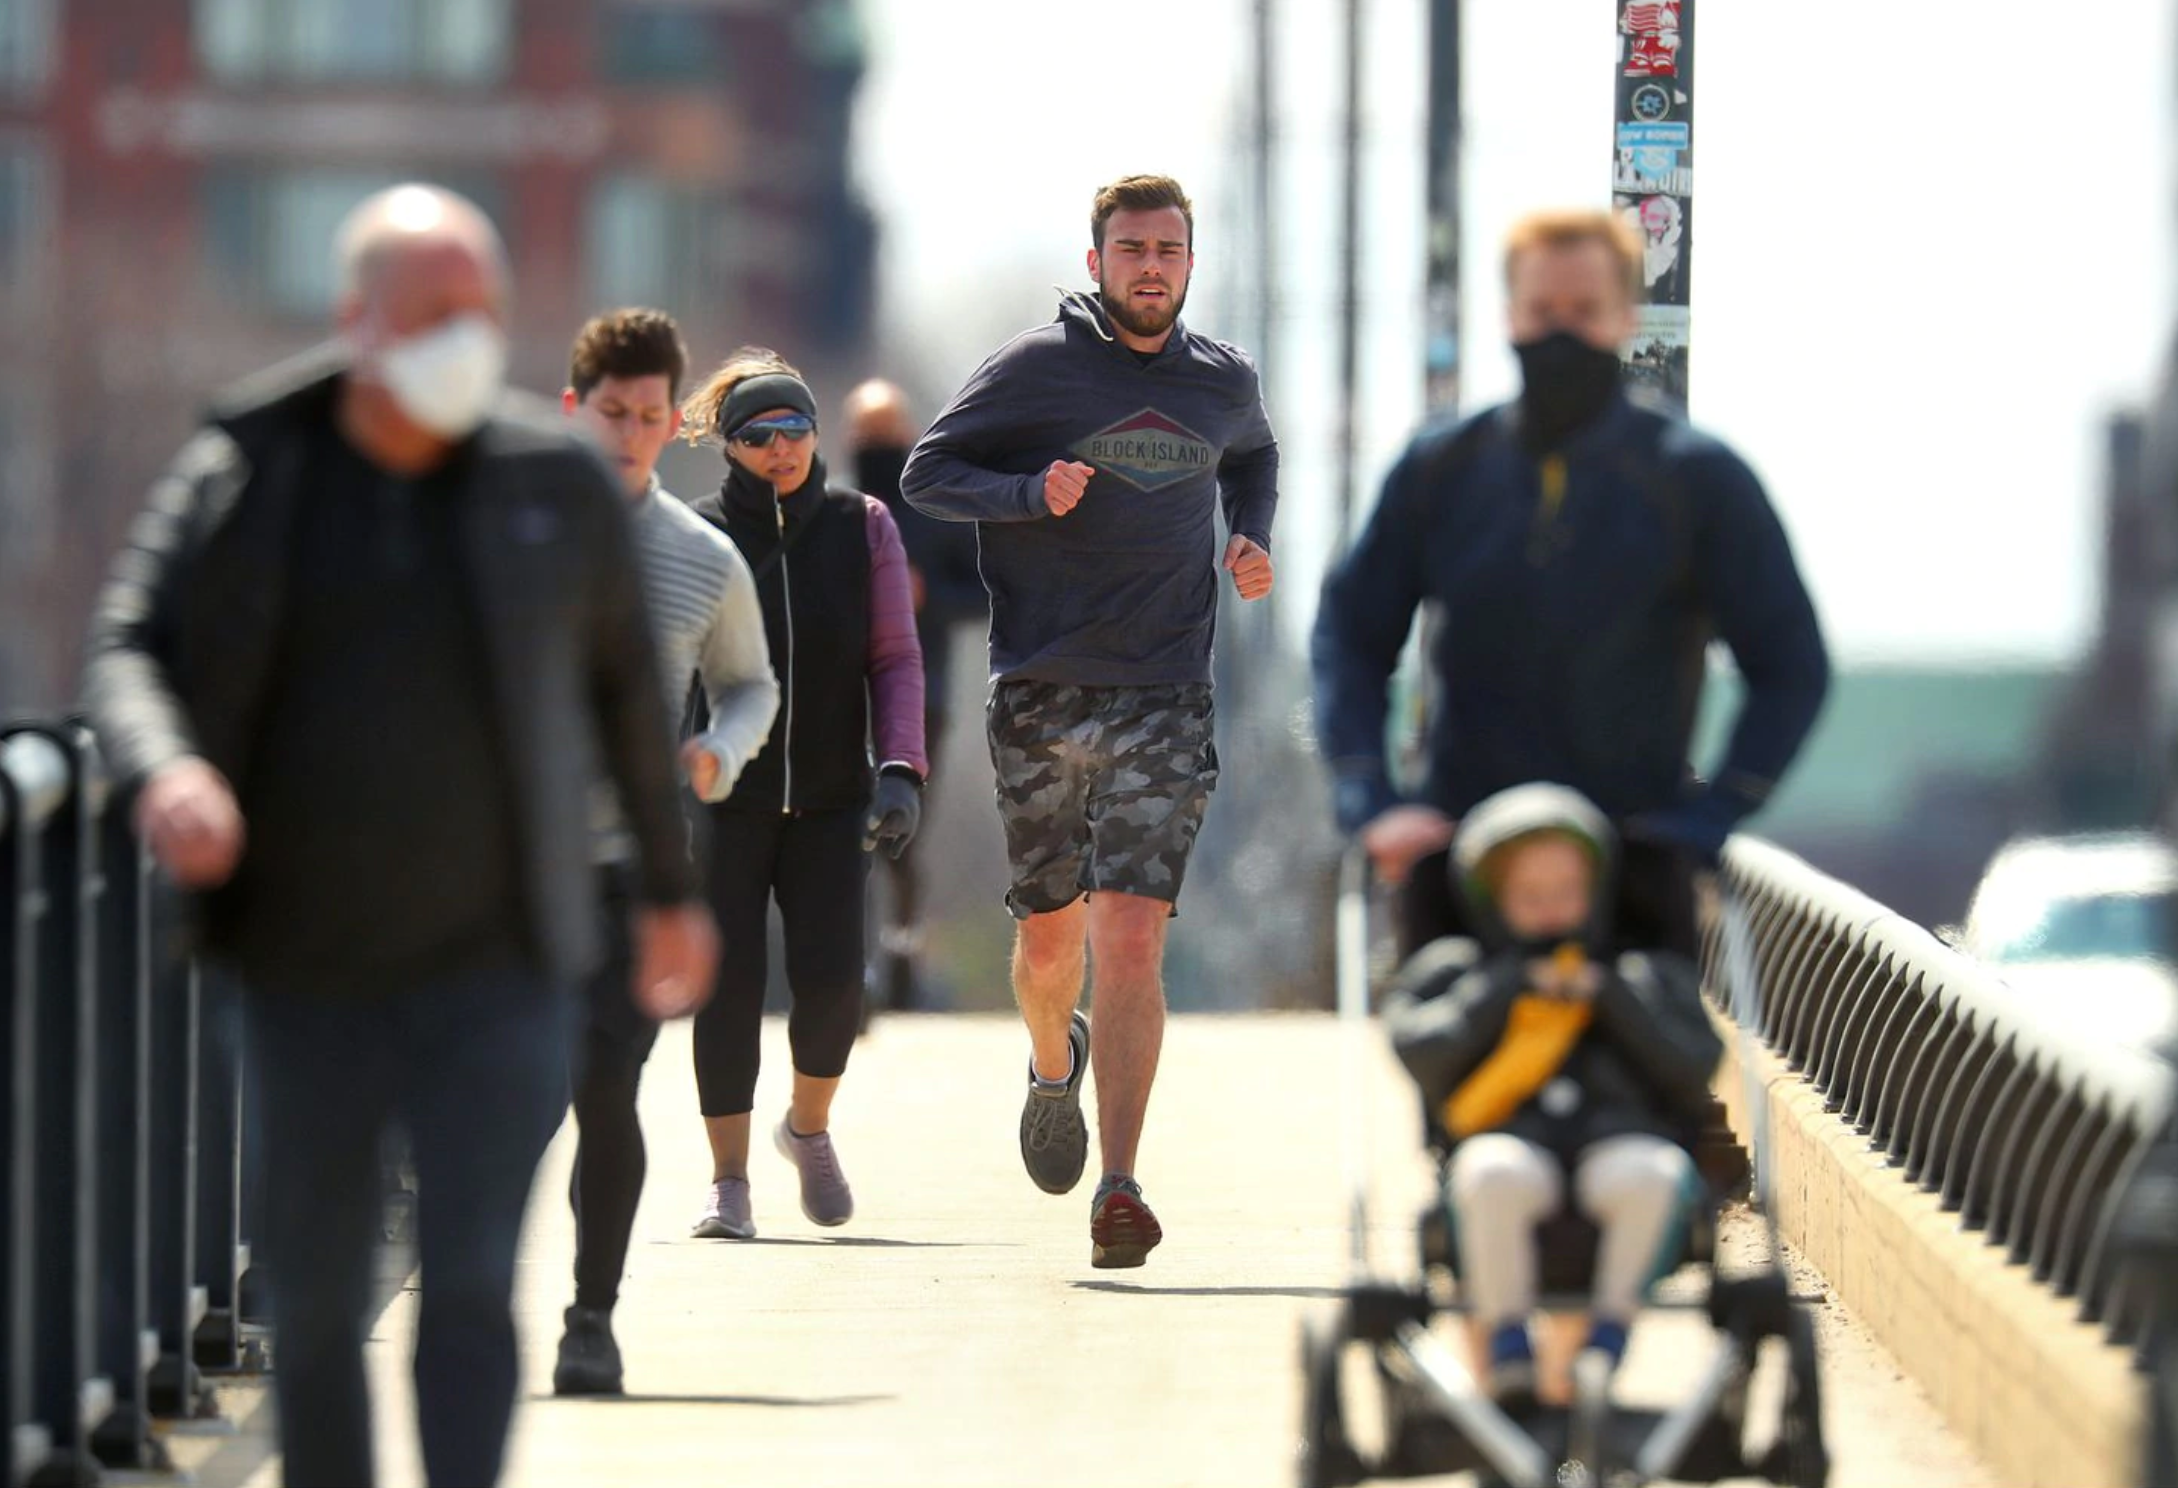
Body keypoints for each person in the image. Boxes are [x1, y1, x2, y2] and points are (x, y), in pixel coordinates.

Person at [80, 185, 717, 1488]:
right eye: (431, 311)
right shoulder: (251, 471)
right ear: (355, 318)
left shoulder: (551, 486)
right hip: (305, 967)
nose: (460, 337)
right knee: (316, 1305)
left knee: (470, 1287)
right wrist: (171, 766)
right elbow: (130, 643)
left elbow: (627, 701)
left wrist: (669, 890)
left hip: (504, 965)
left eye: (479, 310)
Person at [903, 174, 1279, 1268]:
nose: (1150, 267)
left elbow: (1255, 455)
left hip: (1167, 689)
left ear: (1190, 263)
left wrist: (1249, 533)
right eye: (1131, 249)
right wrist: (1028, 495)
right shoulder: (1036, 370)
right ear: (1097, 262)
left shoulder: (1222, 380)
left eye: (1167, 250)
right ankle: (1049, 1063)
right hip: (1043, 687)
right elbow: (928, 472)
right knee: (1050, 938)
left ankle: (1120, 1184)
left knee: (1129, 933)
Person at [1312, 207, 1830, 962]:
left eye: (1584, 312)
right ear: (1509, 316)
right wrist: (1370, 798)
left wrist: (1714, 813)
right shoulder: (1440, 470)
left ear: (1625, 318)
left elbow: (1791, 664)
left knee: (1648, 1040)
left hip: (1636, 859)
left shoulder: (1696, 479)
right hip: (1462, 854)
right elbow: (1349, 638)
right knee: (1450, 1035)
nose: (1560, 333)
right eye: (1541, 311)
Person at [551, 309, 779, 1395]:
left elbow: (751, 685)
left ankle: (590, 1318)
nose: (631, 436)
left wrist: (720, 751)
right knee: (509, 1094)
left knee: (607, 1089)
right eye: (613, 414)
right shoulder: (510, 532)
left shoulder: (701, 558)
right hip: (506, 866)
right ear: (574, 409)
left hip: (630, 872)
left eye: (651, 418)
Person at [681, 348, 927, 1241]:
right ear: (729, 446)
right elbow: (667, 669)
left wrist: (900, 769)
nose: (780, 448)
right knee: (728, 990)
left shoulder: (864, 527)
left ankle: (808, 1128)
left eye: (795, 429)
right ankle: (729, 1182)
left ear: (818, 435)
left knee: (831, 990)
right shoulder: (700, 535)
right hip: (725, 803)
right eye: (759, 436)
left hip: (832, 799)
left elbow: (895, 658)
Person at [1383, 784, 1722, 1405]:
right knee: (1491, 1175)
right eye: (1530, 896)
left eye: (1567, 893)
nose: (1551, 911)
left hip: (1619, 1140)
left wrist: (1612, 999)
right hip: (1511, 1140)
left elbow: (1695, 1064)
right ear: (1492, 900)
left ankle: (1606, 1339)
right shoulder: (1460, 970)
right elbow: (1421, 1049)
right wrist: (1505, 989)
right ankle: (1509, 1343)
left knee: (1653, 1174)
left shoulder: (1639, 973)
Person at [843, 379, 987, 1013]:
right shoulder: (835, 511)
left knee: (901, 830)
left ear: (908, 436)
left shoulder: (936, 510)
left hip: (923, 697)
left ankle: (901, 955)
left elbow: (986, 593)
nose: (876, 446)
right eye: (866, 435)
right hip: (844, 695)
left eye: (887, 434)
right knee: (845, 824)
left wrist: (926, 594)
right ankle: (854, 964)